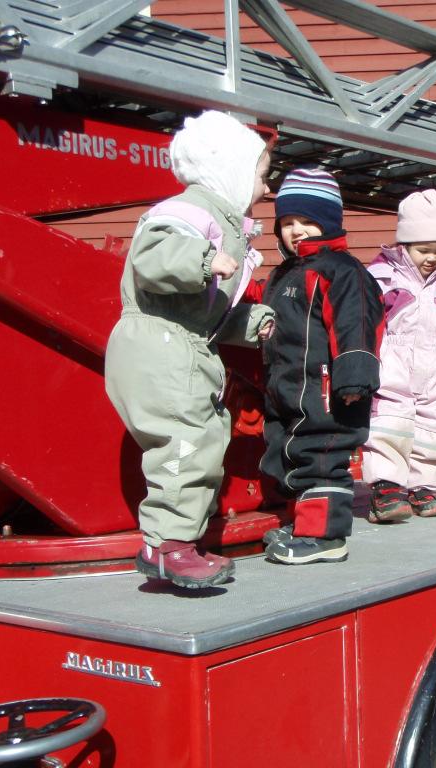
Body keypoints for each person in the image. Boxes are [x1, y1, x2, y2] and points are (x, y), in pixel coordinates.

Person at [105, 110, 274, 590]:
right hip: (161, 344)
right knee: (184, 439)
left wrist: (254, 322)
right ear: (231, 171)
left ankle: (177, 542)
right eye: (261, 176)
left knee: (200, 438)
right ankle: (166, 547)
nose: (265, 189)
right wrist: (201, 259)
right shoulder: (190, 213)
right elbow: (152, 257)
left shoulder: (223, 223)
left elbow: (209, 311)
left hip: (182, 343)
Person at [259, 168, 384, 564]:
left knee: (322, 453)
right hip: (288, 386)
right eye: (287, 223)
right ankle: (303, 524)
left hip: (330, 388)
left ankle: (327, 536)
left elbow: (356, 323)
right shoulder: (283, 274)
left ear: (329, 222)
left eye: (308, 222)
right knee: (287, 451)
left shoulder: (343, 271)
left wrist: (355, 376)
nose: (296, 231)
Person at [361, 189, 436, 521]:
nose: (431, 258)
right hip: (393, 360)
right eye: (423, 250)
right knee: (390, 423)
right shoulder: (383, 277)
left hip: (435, 366)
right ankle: (387, 489)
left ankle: (423, 488)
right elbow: (367, 321)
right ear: (404, 246)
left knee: (435, 427)